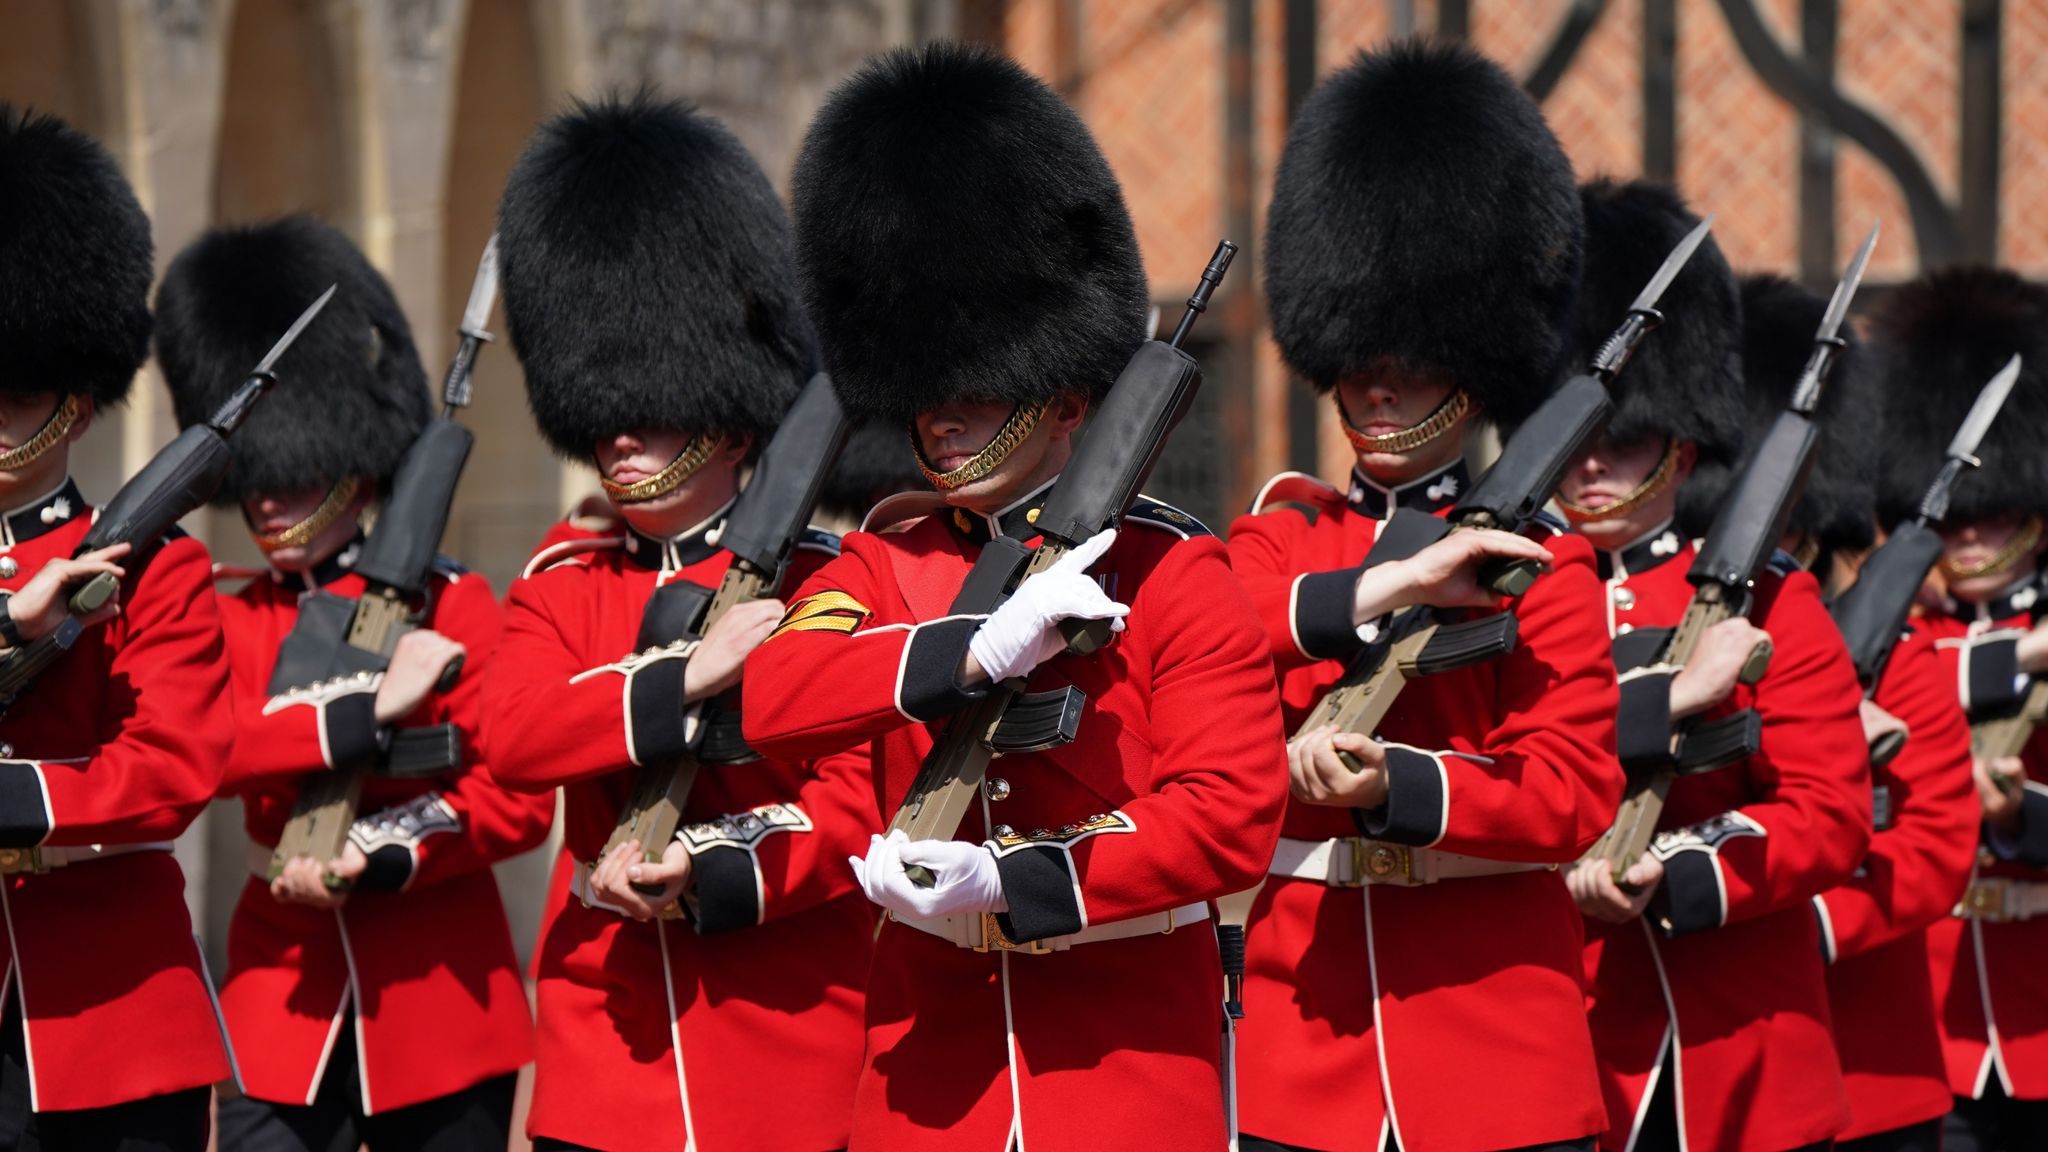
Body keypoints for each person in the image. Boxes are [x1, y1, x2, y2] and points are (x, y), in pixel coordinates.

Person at [743, 42, 1288, 1150]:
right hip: (924, 1080)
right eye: (926, 389)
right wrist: (971, 653)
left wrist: (1016, 877)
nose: (940, 414)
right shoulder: (888, 563)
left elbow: (1229, 815)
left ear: (1062, 398)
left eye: (977, 383)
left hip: (1122, 1074)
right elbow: (774, 695)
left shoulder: (1175, 570)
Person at [1225, 40, 1622, 1152]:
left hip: (1492, 1045)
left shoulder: (1549, 563)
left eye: (1407, 352)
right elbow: (1221, 631)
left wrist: (1398, 779)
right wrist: (1393, 580)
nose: (1375, 381)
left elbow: (1569, 792)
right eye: (1355, 354)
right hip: (1303, 1052)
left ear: (1470, 357)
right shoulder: (1280, 532)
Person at [481, 93, 874, 1152]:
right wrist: (689, 675)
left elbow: (849, 806)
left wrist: (709, 868)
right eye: (602, 410)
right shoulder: (567, 576)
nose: (616, 434)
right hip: (604, 1050)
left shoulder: (828, 580)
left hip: (782, 1047)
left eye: (647, 408)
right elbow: (511, 735)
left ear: (723, 403)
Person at [153, 216, 552, 1151]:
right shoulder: (226, 609)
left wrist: (392, 852)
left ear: (351, 464)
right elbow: (208, 754)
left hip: (439, 992)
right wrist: (363, 710)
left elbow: (514, 796)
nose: (267, 500)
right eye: (255, 479)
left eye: (291, 478)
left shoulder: (457, 601)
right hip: (276, 992)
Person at [1559, 181, 1871, 1152]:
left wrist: (1682, 870)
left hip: (1740, 1049)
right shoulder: (1502, 596)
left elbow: (1827, 810)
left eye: (1624, 445)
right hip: (1566, 1045)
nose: (1593, 469)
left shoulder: (1772, 599)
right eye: (1577, 443)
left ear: (1681, 449)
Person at [0, 105, 234, 1152]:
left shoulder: (159, 570)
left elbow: (171, 771)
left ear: (76, 404)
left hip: (105, 1017)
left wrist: (20, 798)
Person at [1718, 274, 1976, 1152]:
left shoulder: (1898, 658)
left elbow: (1936, 844)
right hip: (1719, 1057)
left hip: (1871, 1072)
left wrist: (1812, 920)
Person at [1867, 267, 2048, 1152]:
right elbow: (1888, 688)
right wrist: (2025, 653)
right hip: (1930, 1008)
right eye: (1958, 514)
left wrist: (2024, 816)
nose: (1969, 533)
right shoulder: (1911, 630)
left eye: (1994, 510)